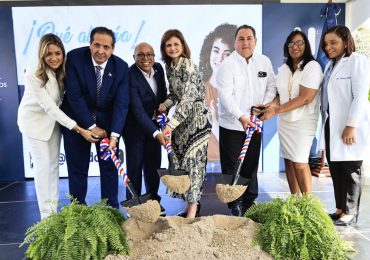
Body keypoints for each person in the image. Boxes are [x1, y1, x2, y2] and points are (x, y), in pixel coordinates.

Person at [17, 34, 98, 219]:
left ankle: (53, 211)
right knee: (43, 166)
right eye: (49, 54)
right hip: (34, 123)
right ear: (42, 55)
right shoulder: (33, 73)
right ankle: (47, 217)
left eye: (58, 53)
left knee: (53, 167)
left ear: (63, 53)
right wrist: (80, 129)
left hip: (54, 123)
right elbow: (50, 108)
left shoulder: (63, 70)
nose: (54, 58)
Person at [61, 27, 129, 208]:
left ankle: (111, 211)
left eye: (106, 47)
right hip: (77, 122)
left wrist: (114, 136)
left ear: (113, 49)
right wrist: (90, 126)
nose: (101, 50)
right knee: (77, 168)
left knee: (109, 168)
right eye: (97, 45)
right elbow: (74, 96)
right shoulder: (75, 58)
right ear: (90, 44)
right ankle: (77, 210)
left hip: (107, 126)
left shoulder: (121, 68)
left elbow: (121, 104)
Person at [216, 24, 276, 216]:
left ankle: (249, 203)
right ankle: (234, 204)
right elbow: (225, 96)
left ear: (255, 41)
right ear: (235, 42)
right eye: (241, 39)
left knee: (250, 165)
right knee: (232, 166)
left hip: (255, 124)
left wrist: (263, 107)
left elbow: (271, 88)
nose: (245, 42)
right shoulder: (227, 65)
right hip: (232, 125)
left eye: (249, 38)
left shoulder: (264, 62)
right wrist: (241, 116)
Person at [319, 25, 370, 226]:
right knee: (336, 167)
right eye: (326, 44)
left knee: (351, 168)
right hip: (332, 122)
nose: (328, 47)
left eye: (333, 43)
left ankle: (350, 212)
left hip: (350, 123)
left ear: (345, 42)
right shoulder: (330, 65)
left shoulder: (357, 61)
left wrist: (351, 125)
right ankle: (340, 208)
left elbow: (359, 95)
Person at [158, 29, 212, 218]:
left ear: (183, 46)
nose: (172, 48)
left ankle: (193, 209)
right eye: (168, 45)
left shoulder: (187, 65)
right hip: (182, 122)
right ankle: (191, 204)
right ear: (164, 48)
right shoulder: (169, 67)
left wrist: (170, 126)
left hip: (197, 120)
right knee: (182, 164)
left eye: (176, 44)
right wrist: (165, 105)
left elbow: (188, 99)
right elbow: (175, 95)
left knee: (194, 164)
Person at [261, 30, 323, 195]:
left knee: (300, 163)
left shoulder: (312, 67)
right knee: (288, 161)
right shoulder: (284, 68)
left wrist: (275, 111)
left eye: (299, 43)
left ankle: (308, 206)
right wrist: (270, 107)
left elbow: (305, 98)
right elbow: (280, 95)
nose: (295, 47)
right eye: (291, 43)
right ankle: (295, 201)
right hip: (285, 122)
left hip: (303, 122)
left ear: (306, 45)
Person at [123, 42, 168, 216]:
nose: (146, 58)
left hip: (154, 125)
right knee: (134, 166)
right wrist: (156, 132)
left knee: (153, 165)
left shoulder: (158, 68)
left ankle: (153, 201)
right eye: (140, 55)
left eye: (149, 54)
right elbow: (137, 109)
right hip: (134, 127)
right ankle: (133, 204)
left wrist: (162, 112)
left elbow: (162, 94)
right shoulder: (130, 74)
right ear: (134, 57)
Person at [199, 23, 237, 161]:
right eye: (216, 51)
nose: (219, 58)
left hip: (229, 163)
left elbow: (235, 142)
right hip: (202, 165)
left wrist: (214, 121)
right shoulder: (197, 89)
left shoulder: (237, 91)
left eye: (226, 54)